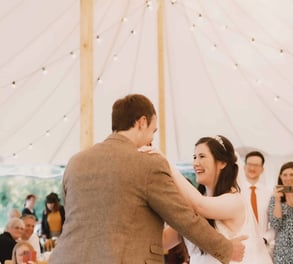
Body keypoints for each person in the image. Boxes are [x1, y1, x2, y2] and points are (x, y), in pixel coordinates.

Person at [49, 94, 246, 264]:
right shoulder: (147, 163)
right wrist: (226, 249)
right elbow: (183, 218)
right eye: (153, 130)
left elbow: (73, 214)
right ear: (142, 122)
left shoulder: (75, 162)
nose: (152, 140)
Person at [147, 135, 272, 263]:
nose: (195, 163)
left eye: (202, 156)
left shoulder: (235, 201)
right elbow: (163, 241)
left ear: (222, 163)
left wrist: (166, 164)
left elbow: (201, 205)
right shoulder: (194, 207)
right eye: (194, 157)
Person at [240, 151, 274, 253]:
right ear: (244, 167)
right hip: (241, 247)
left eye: (256, 165)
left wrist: (265, 239)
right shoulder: (236, 192)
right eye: (249, 164)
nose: (252, 168)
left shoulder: (269, 194)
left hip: (262, 248)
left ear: (262, 169)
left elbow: (275, 224)